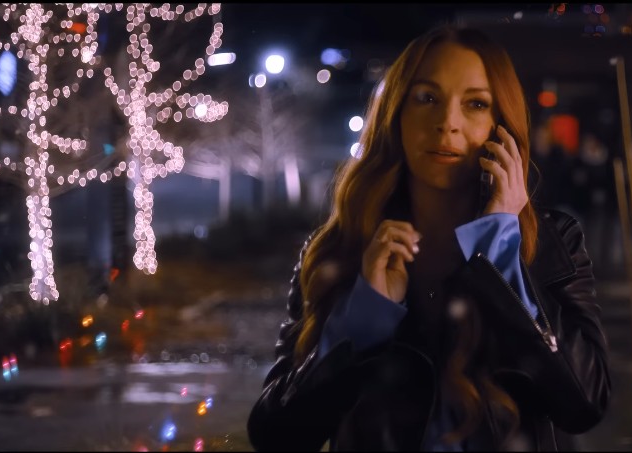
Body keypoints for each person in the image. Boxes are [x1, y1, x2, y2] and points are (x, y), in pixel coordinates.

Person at [247, 24, 611, 452]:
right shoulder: (339, 249)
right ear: (396, 115)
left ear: (502, 128)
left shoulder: (552, 241)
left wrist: (501, 259)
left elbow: (584, 404)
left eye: (475, 104)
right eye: (427, 98)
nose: (447, 124)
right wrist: (362, 319)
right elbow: (275, 435)